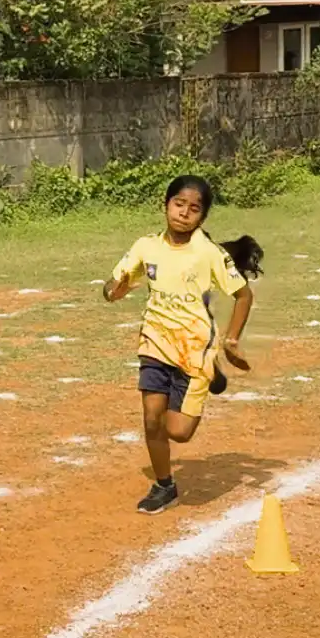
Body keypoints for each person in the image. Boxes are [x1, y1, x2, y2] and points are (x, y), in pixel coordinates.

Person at [104, 175, 261, 515]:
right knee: (151, 419)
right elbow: (114, 283)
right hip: (155, 343)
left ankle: (211, 372)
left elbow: (243, 294)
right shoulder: (147, 246)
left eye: (194, 209)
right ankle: (164, 486)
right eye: (178, 204)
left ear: (202, 218)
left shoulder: (208, 253)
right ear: (166, 204)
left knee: (179, 432)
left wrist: (231, 340)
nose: (184, 213)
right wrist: (113, 289)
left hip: (194, 349)